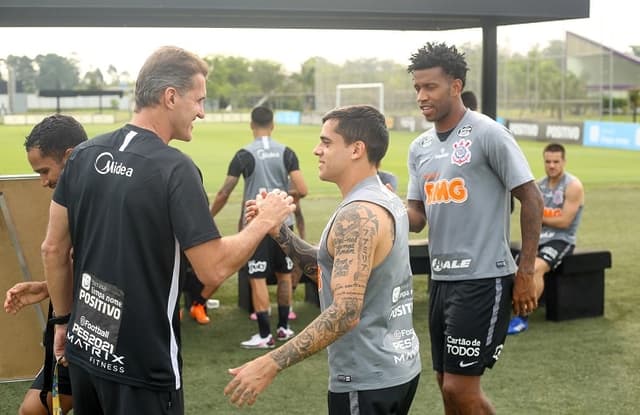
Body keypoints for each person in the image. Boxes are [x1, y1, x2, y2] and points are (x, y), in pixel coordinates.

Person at [41, 46, 295, 415]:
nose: (202, 112)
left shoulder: (82, 155)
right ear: (171, 96)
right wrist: (264, 221)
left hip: (85, 352)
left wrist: (62, 322)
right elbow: (212, 268)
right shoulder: (175, 169)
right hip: (143, 366)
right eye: (199, 100)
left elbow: (52, 250)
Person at [224, 105, 421, 413]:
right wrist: (278, 231)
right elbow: (327, 270)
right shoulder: (384, 197)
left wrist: (270, 362)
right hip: (397, 367)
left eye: (327, 142)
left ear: (356, 149)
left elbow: (344, 313)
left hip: (365, 378)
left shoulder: (358, 214)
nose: (317, 150)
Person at [405, 42, 543, 414]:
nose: (421, 96)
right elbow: (416, 218)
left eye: (430, 87)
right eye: (417, 87)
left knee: (460, 388)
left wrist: (526, 270)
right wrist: (384, 206)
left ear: (455, 86)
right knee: (446, 387)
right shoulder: (419, 147)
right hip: (440, 281)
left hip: (483, 278)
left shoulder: (488, 134)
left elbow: (531, 199)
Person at [3, 114, 87, 415]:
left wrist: (64, 322)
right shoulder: (72, 198)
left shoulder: (99, 196)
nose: (43, 182)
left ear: (70, 156)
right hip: (71, 324)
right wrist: (45, 287)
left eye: (44, 171)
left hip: (91, 330)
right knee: (33, 410)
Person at [210, 106, 308, 348]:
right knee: (284, 275)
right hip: (284, 223)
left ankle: (265, 335)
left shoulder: (244, 154)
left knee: (257, 278)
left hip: (257, 226)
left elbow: (224, 192)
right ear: (273, 125)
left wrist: (209, 215)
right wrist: (282, 194)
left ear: (251, 125)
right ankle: (284, 328)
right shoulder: (287, 152)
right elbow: (303, 190)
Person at [508, 142, 584, 334]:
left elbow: (565, 221)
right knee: (513, 267)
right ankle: (513, 307)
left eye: (556, 161)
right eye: (548, 161)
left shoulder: (573, 185)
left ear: (564, 161)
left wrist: (538, 216)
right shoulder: (539, 185)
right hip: (539, 238)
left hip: (561, 240)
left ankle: (521, 318)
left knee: (533, 269)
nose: (551, 165)